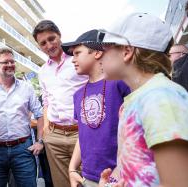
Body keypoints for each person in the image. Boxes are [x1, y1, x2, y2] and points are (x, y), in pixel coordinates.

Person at [94, 13, 188, 187]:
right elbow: (131, 166)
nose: (98, 55)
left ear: (127, 52)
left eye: (105, 47)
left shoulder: (160, 98)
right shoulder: (132, 102)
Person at [60, 30, 130, 187]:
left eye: (78, 53)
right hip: (88, 176)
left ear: (97, 53)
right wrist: (72, 168)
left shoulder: (120, 83)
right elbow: (83, 134)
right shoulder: (78, 94)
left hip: (119, 176)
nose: (73, 60)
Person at [32, 20, 88, 187]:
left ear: (59, 36)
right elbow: (47, 101)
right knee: (61, 184)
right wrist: (47, 131)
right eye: (43, 43)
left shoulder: (77, 60)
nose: (49, 45)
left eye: (52, 38)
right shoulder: (42, 71)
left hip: (81, 133)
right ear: (39, 46)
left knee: (88, 182)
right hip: (55, 136)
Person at [0, 48, 44, 187]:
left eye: (12, 61)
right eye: (5, 62)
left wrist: (40, 141)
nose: (10, 64)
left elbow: (40, 114)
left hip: (23, 150)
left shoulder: (27, 87)